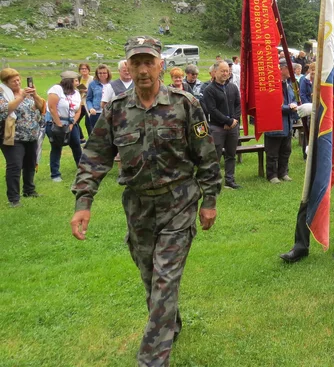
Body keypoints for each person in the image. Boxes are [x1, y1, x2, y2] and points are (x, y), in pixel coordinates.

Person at [70, 37, 220, 367]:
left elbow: (206, 157)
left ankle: (151, 360)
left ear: (160, 66)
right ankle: (171, 323)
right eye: (135, 63)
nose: (142, 70)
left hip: (178, 203)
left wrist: (209, 199)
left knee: (165, 281)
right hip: (138, 207)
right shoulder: (117, 110)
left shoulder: (185, 104)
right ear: (128, 67)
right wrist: (84, 202)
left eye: (148, 62)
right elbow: (95, 156)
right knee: (151, 277)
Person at [279, 102, 334, 262]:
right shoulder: (318, 82)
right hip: (320, 143)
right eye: (311, 73)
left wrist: (316, 108)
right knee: (308, 194)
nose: (312, 74)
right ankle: (300, 246)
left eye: (314, 73)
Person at [0, 68, 46, 207]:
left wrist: (35, 95)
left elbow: (41, 108)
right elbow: (4, 111)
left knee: (30, 164)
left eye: (18, 79)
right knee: (15, 166)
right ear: (6, 82)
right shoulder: (3, 94)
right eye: (14, 81)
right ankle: (14, 199)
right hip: (13, 137)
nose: (18, 82)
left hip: (31, 135)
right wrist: (20, 98)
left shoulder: (26, 92)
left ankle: (29, 190)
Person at [203, 61, 241, 189]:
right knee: (215, 156)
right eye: (222, 71)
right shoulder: (209, 90)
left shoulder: (233, 88)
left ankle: (230, 180)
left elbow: (238, 105)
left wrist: (234, 120)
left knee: (231, 154)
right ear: (215, 72)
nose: (226, 73)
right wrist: (227, 121)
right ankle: (214, 182)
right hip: (217, 127)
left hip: (232, 128)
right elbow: (212, 110)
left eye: (227, 71)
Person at [264, 59, 298, 184]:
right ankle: (272, 175)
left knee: (286, 150)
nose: (292, 71)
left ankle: (283, 172)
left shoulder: (288, 84)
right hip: (275, 124)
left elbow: (294, 98)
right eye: (289, 68)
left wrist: (294, 104)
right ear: (281, 69)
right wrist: (288, 107)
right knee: (273, 152)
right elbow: (271, 104)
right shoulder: (271, 85)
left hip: (287, 123)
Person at [46, 71, 83, 182]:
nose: (78, 83)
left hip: (71, 123)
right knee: (57, 148)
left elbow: (78, 110)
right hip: (55, 123)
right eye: (76, 80)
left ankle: (82, 171)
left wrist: (72, 124)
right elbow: (52, 107)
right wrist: (59, 125)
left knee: (77, 146)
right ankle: (55, 174)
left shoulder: (76, 93)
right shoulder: (56, 89)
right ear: (69, 81)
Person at [86, 64, 112, 131]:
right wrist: (90, 108)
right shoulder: (92, 84)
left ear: (108, 74)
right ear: (97, 74)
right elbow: (88, 99)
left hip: (109, 113)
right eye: (100, 73)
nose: (102, 75)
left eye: (104, 73)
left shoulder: (113, 84)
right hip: (96, 113)